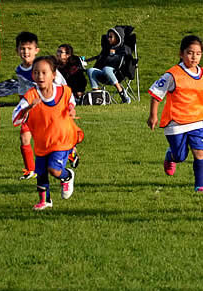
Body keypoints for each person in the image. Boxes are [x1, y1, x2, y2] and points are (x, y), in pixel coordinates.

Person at [147, 35, 203, 193]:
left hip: (196, 121)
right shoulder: (173, 75)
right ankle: (171, 156)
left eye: (198, 53)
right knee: (180, 156)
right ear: (181, 54)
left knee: (200, 152)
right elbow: (156, 94)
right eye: (190, 53)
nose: (194, 57)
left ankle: (200, 186)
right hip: (175, 123)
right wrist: (153, 116)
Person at [12, 56, 84, 210]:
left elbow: (70, 99)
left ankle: (66, 175)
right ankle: (45, 201)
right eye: (36, 73)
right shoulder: (31, 95)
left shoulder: (63, 90)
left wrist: (71, 108)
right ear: (32, 75)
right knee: (41, 172)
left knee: (54, 170)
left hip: (62, 138)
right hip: (42, 140)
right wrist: (29, 107)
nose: (40, 76)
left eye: (44, 72)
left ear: (54, 75)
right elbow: (15, 118)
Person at [14, 32, 78, 180]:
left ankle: (70, 151)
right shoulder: (20, 70)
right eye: (22, 49)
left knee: (54, 139)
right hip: (34, 111)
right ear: (17, 51)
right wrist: (24, 108)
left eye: (29, 48)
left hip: (54, 110)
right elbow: (23, 90)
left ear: (36, 50)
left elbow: (62, 87)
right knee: (24, 137)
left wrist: (68, 105)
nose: (26, 52)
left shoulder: (46, 66)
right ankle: (30, 170)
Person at [85, 26, 131, 103]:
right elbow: (102, 59)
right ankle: (96, 95)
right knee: (91, 70)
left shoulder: (123, 49)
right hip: (104, 73)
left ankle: (122, 92)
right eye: (108, 37)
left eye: (111, 37)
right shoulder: (107, 48)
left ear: (117, 38)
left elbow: (121, 61)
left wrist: (113, 55)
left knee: (107, 69)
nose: (108, 39)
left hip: (118, 73)